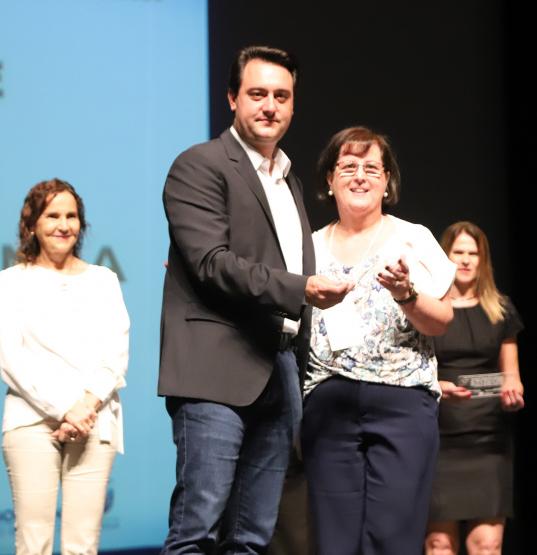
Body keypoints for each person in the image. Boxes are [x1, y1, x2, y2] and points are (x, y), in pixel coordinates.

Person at [157, 46, 352, 555]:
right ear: (232, 98)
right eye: (258, 93)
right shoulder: (199, 165)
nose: (270, 106)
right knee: (197, 533)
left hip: (279, 367)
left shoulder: (288, 180)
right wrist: (301, 289)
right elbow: (211, 262)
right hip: (215, 369)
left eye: (281, 96)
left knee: (251, 539)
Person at [301, 126, 457, 555]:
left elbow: (442, 322)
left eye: (372, 168)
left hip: (402, 402)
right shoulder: (306, 249)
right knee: (334, 542)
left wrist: (407, 294)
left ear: (387, 180)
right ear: (329, 179)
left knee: (394, 539)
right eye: (348, 166)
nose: (360, 176)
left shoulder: (414, 238)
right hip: (329, 405)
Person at [0, 178, 129, 555]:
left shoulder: (103, 280)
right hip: (31, 422)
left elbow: (116, 355)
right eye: (52, 215)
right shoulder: (12, 281)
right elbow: (12, 362)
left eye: (71, 216)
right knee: (33, 542)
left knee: (82, 545)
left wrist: (85, 407)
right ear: (31, 225)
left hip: (94, 420)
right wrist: (66, 410)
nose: (64, 225)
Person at [424, 221, 524, 555]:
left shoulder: (501, 308)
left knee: (487, 545)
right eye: (459, 252)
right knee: (439, 544)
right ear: (446, 256)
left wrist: (513, 393)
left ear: (483, 260)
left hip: (488, 441)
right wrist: (438, 386)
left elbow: (511, 375)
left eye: (473, 253)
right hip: (439, 437)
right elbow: (412, 372)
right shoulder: (427, 308)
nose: (466, 260)